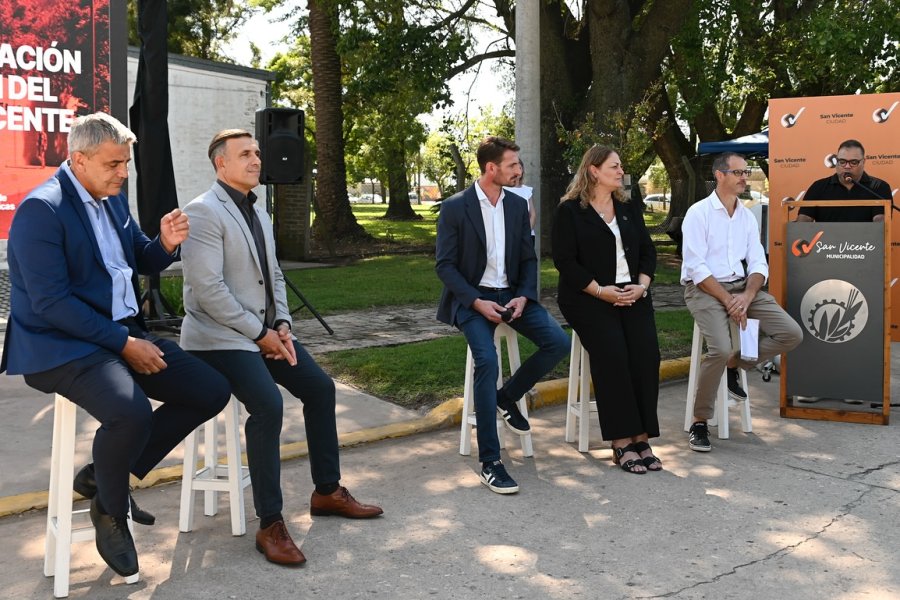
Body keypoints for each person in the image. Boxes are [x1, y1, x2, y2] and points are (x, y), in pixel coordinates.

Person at [0, 113, 231, 577]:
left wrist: (164, 244)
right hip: (59, 346)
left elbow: (137, 257)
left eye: (125, 163)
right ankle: (111, 511)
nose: (123, 173)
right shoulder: (40, 210)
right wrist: (124, 343)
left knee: (209, 390)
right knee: (130, 413)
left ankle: (105, 479)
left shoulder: (112, 199)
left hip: (120, 334)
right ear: (79, 159)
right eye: (113, 164)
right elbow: (51, 305)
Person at [179, 129, 383, 567]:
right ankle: (270, 522)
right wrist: (259, 334)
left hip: (263, 333)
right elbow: (208, 290)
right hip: (217, 340)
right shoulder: (202, 212)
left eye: (257, 153)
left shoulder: (260, 211)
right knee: (269, 406)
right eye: (246, 155)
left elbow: (274, 276)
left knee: (320, 387)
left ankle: (327, 491)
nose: (256, 160)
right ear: (221, 163)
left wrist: (283, 324)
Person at [435, 136, 570, 494]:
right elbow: (445, 267)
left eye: (518, 164)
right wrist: (477, 303)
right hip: (472, 302)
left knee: (558, 342)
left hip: (512, 297)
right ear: (490, 168)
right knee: (486, 361)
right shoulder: (454, 207)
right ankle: (490, 462)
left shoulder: (516, 205)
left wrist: (525, 297)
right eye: (512, 164)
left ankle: (506, 396)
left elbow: (529, 258)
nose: (519, 170)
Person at [681, 152, 803, 452]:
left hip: (742, 288)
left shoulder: (747, 216)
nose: (744, 178)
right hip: (705, 289)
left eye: (746, 173)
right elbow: (696, 268)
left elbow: (759, 263)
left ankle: (737, 365)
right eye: (738, 173)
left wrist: (746, 297)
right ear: (720, 175)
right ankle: (699, 421)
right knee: (721, 348)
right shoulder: (698, 213)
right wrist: (728, 299)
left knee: (792, 333)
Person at [552, 145, 661, 474]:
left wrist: (641, 287)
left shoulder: (628, 207)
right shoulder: (570, 211)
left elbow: (647, 251)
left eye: (620, 166)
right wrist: (602, 292)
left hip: (632, 293)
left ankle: (641, 437)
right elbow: (565, 262)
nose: (620, 171)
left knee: (646, 354)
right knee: (613, 354)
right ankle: (620, 442)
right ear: (593, 170)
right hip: (587, 297)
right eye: (614, 166)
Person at [797, 139, 890, 223]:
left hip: (866, 242)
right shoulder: (818, 187)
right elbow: (803, 222)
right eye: (842, 162)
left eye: (853, 162)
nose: (847, 166)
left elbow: (880, 226)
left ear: (863, 162)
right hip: (825, 242)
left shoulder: (879, 187)